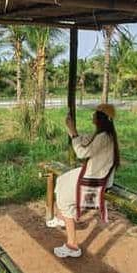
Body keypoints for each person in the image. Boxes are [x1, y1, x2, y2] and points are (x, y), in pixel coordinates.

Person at [46, 103, 120, 258]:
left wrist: (73, 132)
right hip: (96, 173)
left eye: (95, 113)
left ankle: (72, 246)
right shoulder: (102, 134)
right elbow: (84, 140)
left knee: (64, 198)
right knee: (62, 180)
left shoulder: (103, 137)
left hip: (96, 178)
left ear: (100, 118)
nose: (92, 115)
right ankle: (62, 218)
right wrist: (72, 130)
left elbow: (81, 152)